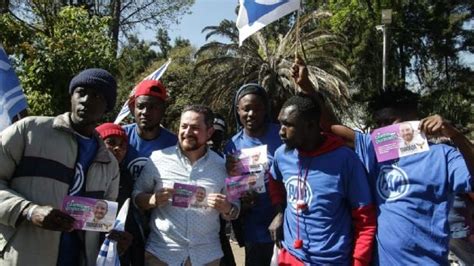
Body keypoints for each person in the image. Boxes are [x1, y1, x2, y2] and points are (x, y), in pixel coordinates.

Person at [293, 57, 473, 265]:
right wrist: (308, 87)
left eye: (388, 121)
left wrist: (456, 135)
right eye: (378, 123)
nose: (382, 129)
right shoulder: (376, 148)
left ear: (413, 118)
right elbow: (332, 127)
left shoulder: (442, 155)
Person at [0, 68, 120, 266]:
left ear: (107, 107)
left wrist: (113, 237)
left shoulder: (109, 163)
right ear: (71, 96)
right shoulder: (29, 131)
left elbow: (100, 220)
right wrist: (28, 211)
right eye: (81, 92)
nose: (86, 100)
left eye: (97, 95)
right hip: (23, 258)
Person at [269, 94, 376, 265]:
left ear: (311, 126)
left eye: (288, 125)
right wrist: (280, 212)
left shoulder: (345, 160)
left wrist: (359, 262)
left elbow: (365, 219)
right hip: (291, 258)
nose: (281, 131)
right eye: (281, 123)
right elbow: (273, 179)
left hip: (332, 261)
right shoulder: (281, 155)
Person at [133, 105, 240, 266]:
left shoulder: (222, 165)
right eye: (184, 126)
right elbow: (136, 195)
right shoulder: (158, 159)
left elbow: (235, 209)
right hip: (162, 254)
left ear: (209, 132)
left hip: (207, 257)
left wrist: (227, 208)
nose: (187, 132)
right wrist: (152, 200)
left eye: (195, 128)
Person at [224, 83, 283, 266]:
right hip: (254, 230)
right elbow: (232, 187)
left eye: (257, 108)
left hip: (286, 225)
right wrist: (241, 199)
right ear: (238, 110)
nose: (251, 114)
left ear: (265, 109)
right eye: (246, 109)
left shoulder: (281, 134)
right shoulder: (232, 145)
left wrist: (282, 212)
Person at [95, 122, 141, 265]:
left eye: (123, 145)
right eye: (111, 142)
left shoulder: (126, 176)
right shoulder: (84, 172)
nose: (118, 148)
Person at [123, 79, 178, 181]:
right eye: (140, 106)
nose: (145, 112)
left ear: (163, 109)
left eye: (152, 107)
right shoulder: (120, 137)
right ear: (133, 108)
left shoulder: (174, 145)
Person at [208, 114, 237, 266]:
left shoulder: (227, 161)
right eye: (211, 133)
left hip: (218, 230)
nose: (213, 139)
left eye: (218, 134)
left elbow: (234, 195)